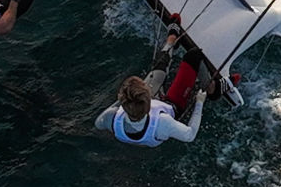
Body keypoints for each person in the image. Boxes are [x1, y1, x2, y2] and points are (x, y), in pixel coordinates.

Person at [94, 15, 222, 147]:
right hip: (172, 106)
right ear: (149, 99)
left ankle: (172, 40)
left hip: (140, 115)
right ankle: (212, 89)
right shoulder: (163, 122)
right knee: (193, 55)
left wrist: (126, 99)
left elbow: (98, 124)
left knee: (158, 68)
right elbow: (189, 135)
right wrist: (199, 102)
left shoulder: (110, 117)